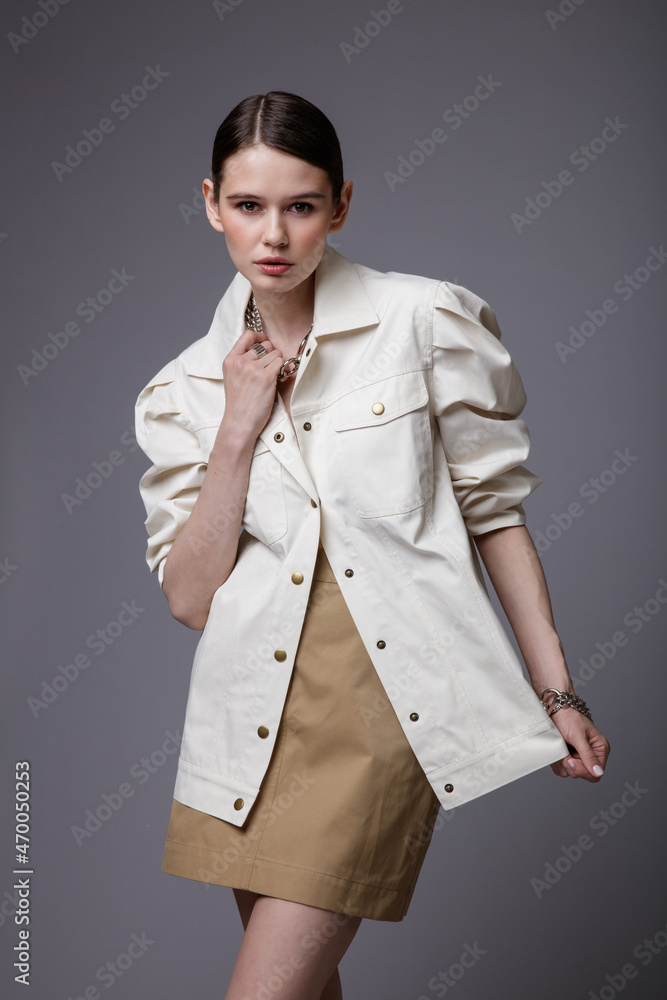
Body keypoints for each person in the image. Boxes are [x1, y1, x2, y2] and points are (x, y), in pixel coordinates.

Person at [135, 91, 610, 1000]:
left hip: (384, 704)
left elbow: (494, 514)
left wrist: (554, 690)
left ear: (340, 206)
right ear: (209, 204)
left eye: (300, 206)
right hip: (249, 721)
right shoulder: (181, 391)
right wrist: (236, 428)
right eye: (247, 206)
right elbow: (191, 598)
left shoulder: (422, 324)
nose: (272, 235)